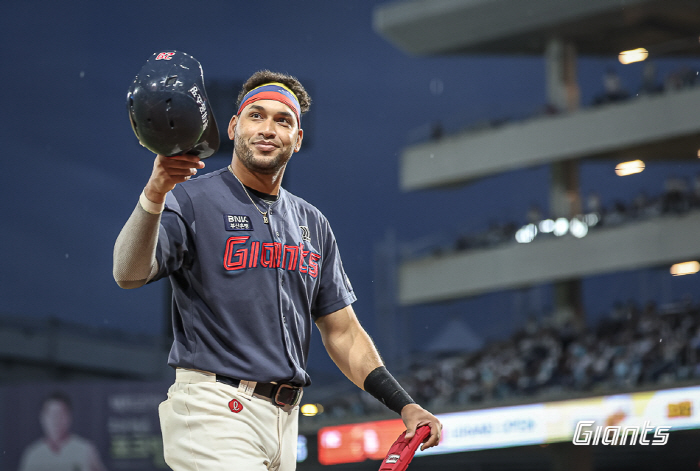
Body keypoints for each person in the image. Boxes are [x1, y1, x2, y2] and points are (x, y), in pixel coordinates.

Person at [113, 70, 441, 471]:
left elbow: (343, 333)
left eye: (283, 120)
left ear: (297, 140)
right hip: (214, 407)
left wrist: (405, 405)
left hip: (285, 422)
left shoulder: (312, 222)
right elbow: (127, 273)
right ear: (233, 127)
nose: (268, 128)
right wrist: (154, 194)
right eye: (256, 116)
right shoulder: (192, 198)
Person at [17, 392, 108, 471]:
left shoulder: (86, 450)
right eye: (51, 415)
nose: (56, 420)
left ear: (69, 417)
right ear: (42, 418)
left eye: (60, 415)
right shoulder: (33, 454)